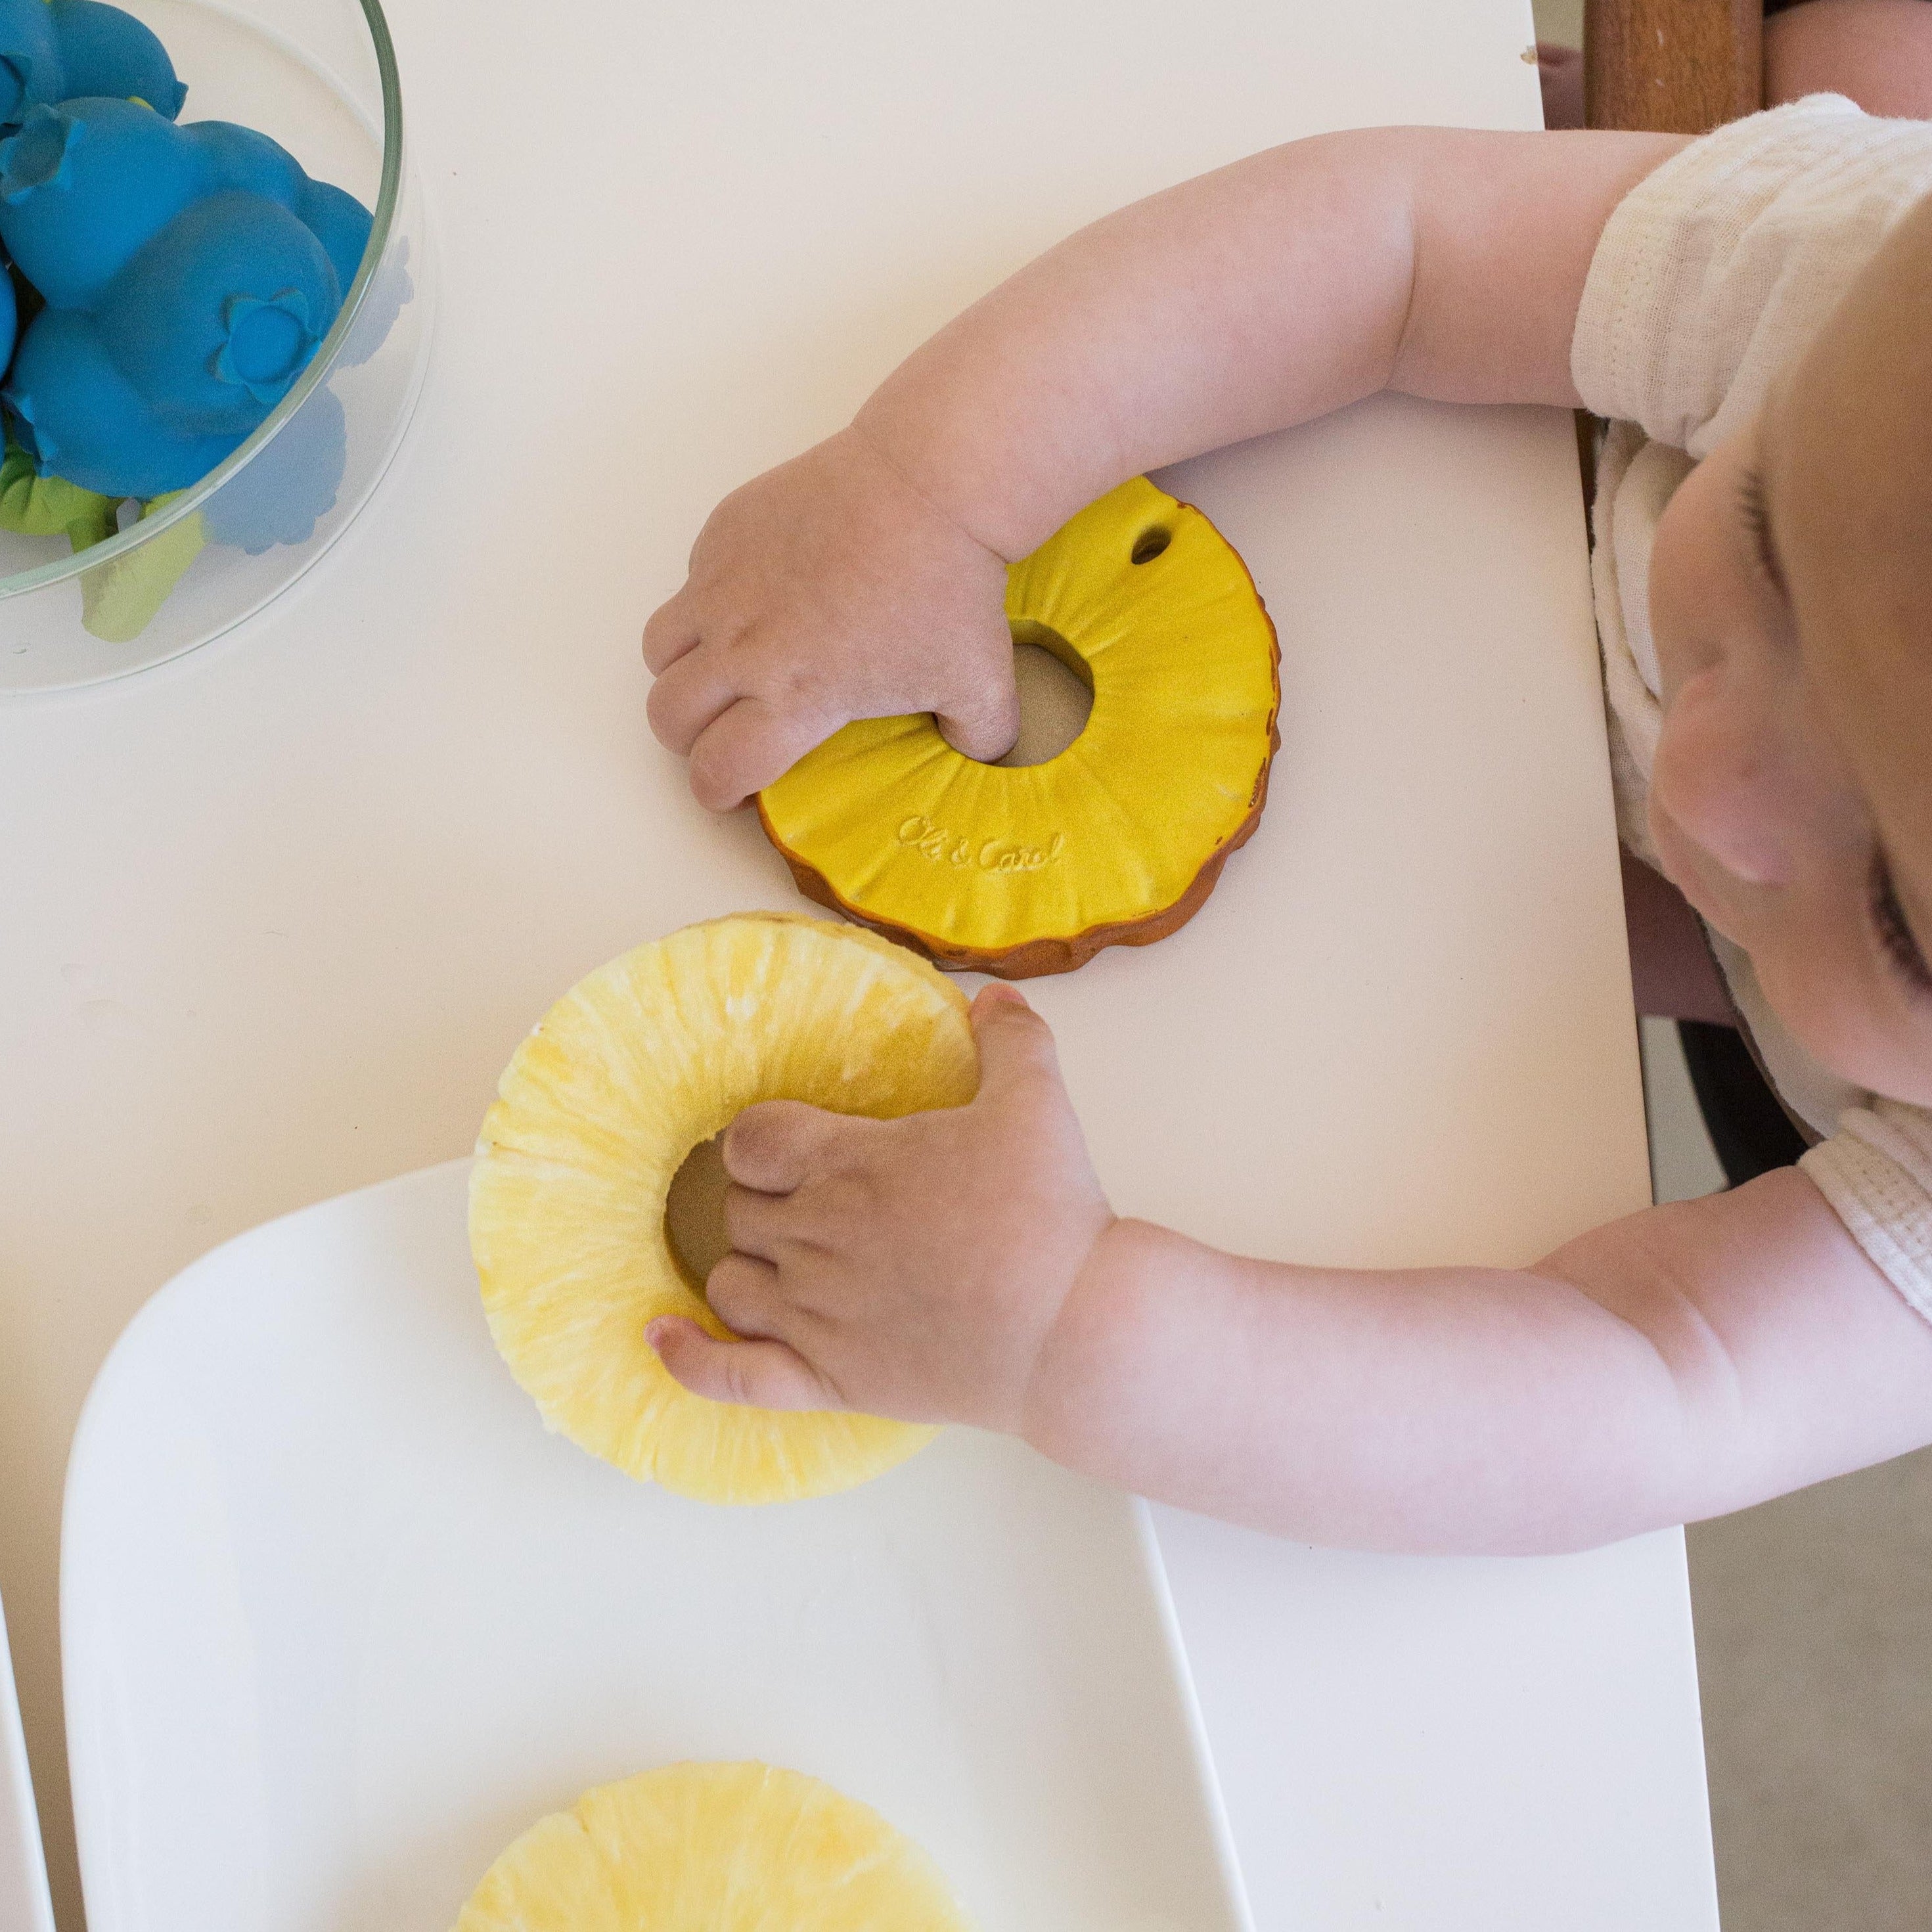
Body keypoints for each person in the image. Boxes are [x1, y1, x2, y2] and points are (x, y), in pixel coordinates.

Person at [635, 50, 1932, 1552]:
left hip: (1758, 1064)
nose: (1712, 776)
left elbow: (1654, 1383)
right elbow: (1408, 245)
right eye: (1767, 548)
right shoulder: (1865, 277)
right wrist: (926, 483)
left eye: (1904, 914)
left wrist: (1070, 1332)